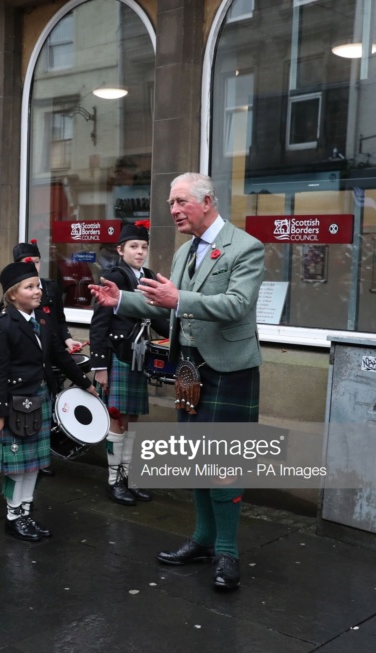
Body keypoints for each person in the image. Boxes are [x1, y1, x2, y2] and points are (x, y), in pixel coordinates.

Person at [90, 172, 264, 590]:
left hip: (229, 369)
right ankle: (203, 539)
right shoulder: (186, 251)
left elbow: (238, 305)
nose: (173, 210)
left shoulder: (246, 247)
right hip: (190, 370)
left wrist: (179, 299)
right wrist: (123, 301)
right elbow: (168, 310)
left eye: (180, 201)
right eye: (171, 202)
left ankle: (227, 551)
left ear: (207, 201)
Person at [0, 261, 98, 542]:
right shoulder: (2, 325)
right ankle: (13, 517)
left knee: (33, 463)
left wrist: (85, 383)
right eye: (30, 287)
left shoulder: (43, 321)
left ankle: (25, 511)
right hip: (14, 403)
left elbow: (59, 355)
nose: (38, 291)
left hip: (39, 398)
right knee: (16, 465)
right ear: (12, 294)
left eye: (37, 286)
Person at [90, 220, 167, 506]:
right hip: (118, 355)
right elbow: (99, 323)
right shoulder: (114, 276)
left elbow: (157, 315)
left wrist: (180, 334)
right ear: (120, 249)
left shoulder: (148, 276)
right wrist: (100, 367)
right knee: (116, 417)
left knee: (133, 420)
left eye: (144, 247)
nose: (140, 252)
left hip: (139, 354)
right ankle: (114, 481)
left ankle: (129, 478)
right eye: (134, 246)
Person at [11, 240, 82, 476]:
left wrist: (68, 339)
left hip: (53, 351)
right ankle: (32, 457)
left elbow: (60, 320)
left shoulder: (50, 287)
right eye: (26, 263)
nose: (33, 267)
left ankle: (43, 453)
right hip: (31, 354)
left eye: (37, 262)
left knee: (49, 400)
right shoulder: (14, 292)